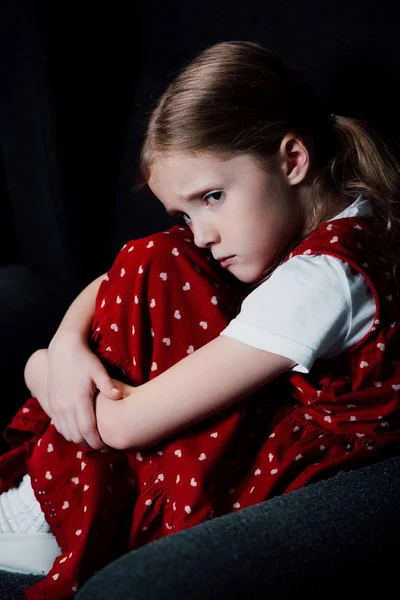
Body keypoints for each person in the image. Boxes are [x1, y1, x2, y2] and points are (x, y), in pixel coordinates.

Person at [1, 40, 400, 600]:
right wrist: (66, 345)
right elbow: (104, 285)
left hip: (286, 474)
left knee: (153, 263)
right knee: (156, 256)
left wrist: (38, 368)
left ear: (292, 160)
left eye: (213, 196)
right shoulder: (337, 222)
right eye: (187, 211)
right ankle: (49, 502)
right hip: (265, 414)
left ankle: (47, 509)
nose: (204, 232)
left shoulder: (322, 282)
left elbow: (119, 426)